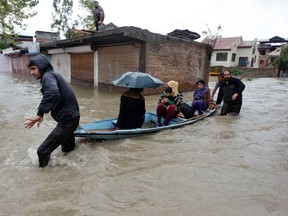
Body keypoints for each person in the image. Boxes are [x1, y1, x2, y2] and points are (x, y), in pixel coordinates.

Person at [24, 54, 80, 167]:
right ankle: (72, 170)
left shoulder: (47, 76)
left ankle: (44, 178)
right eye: (31, 69)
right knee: (68, 149)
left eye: (33, 68)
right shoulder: (52, 75)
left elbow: (53, 93)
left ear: (41, 66)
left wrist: (40, 114)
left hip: (68, 121)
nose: (32, 72)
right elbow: (55, 96)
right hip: (72, 118)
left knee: (42, 151)